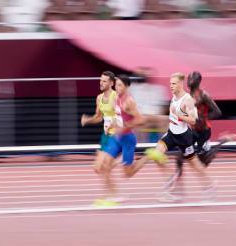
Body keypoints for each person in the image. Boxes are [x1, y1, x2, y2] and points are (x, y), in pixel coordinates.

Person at [132, 72, 215, 202]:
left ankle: (209, 186)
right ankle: (168, 189)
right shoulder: (175, 97)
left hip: (184, 137)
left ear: (180, 84)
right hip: (171, 133)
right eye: (170, 83)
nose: (171, 86)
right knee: (157, 154)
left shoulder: (188, 99)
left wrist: (180, 116)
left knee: (195, 164)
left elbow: (193, 120)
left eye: (174, 84)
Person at [165, 71, 236, 200]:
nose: (189, 81)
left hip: (203, 132)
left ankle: (222, 142)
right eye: (189, 79)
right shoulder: (186, 96)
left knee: (202, 162)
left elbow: (217, 112)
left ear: (198, 81)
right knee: (180, 158)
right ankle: (178, 190)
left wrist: (203, 118)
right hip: (192, 132)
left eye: (192, 79)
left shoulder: (203, 95)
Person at [93, 75, 144, 206]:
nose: (117, 87)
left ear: (126, 86)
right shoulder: (116, 99)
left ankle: (148, 156)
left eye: (120, 85)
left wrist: (125, 127)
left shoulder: (129, 101)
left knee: (128, 173)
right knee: (105, 166)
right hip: (117, 138)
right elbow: (118, 116)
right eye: (116, 85)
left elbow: (140, 119)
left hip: (128, 139)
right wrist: (112, 125)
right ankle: (112, 195)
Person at [81, 71, 117, 174]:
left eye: (104, 81)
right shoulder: (99, 98)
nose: (101, 83)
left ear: (111, 83)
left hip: (117, 134)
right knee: (97, 169)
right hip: (106, 134)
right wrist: (87, 120)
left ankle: (125, 158)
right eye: (100, 80)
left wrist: (114, 122)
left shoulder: (115, 96)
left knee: (106, 167)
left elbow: (121, 115)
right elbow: (99, 117)